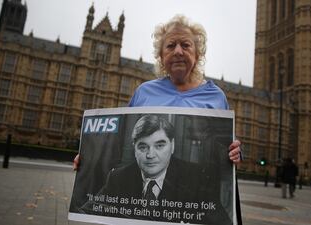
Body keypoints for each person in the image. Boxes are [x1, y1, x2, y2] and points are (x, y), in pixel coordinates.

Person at [73, 14, 243, 224]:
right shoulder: (144, 92)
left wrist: (235, 153)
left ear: (197, 54)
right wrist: (86, 159)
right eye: (170, 46)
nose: (178, 51)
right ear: (161, 56)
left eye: (186, 45)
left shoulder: (216, 97)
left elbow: (227, 149)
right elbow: (88, 208)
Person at [80, 114, 231, 224]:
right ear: (134, 149)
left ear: (172, 146)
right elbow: (86, 212)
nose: (150, 155)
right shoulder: (118, 177)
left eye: (159, 145)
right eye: (143, 146)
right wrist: (83, 162)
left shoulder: (196, 177)